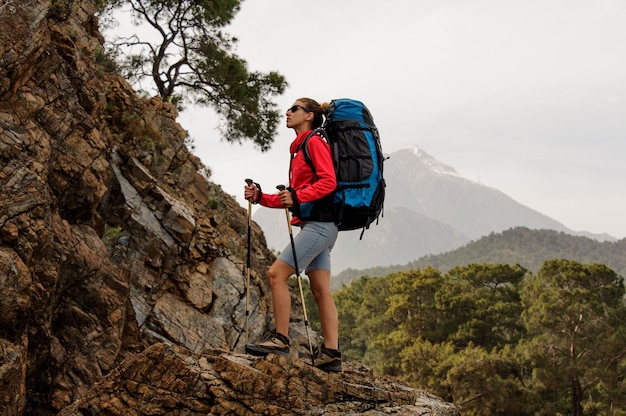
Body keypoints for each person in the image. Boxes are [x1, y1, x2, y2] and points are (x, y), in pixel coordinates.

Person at [243, 97, 342, 373]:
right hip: (322, 226)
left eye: (294, 108)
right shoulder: (299, 150)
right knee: (321, 290)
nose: (287, 112)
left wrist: (297, 196)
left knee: (276, 274)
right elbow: (293, 198)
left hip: (320, 226)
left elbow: (328, 182)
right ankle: (331, 354)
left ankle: (280, 338)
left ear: (309, 116)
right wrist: (261, 197)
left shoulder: (313, 142)